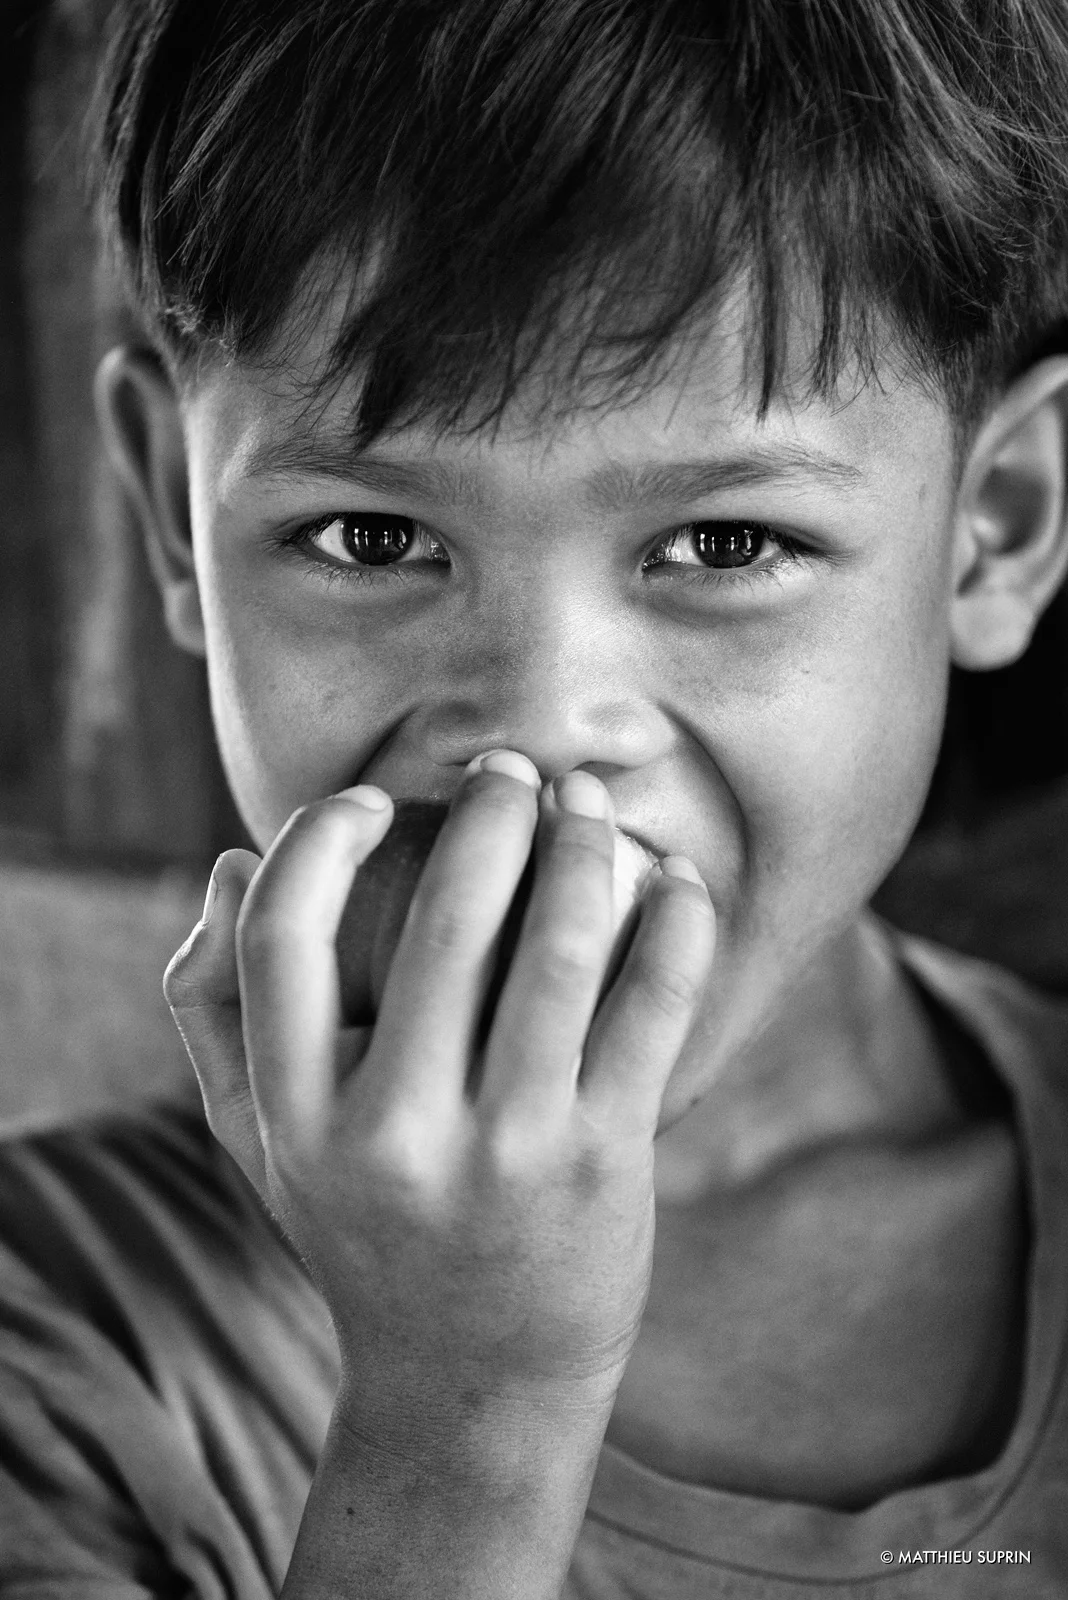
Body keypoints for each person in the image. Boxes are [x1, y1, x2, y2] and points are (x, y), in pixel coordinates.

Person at [4, 1, 1068, 1593]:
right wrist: (465, 1413)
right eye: (372, 538)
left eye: (723, 546)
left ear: (993, 525)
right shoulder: (58, 1337)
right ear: (173, 515)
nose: (536, 737)